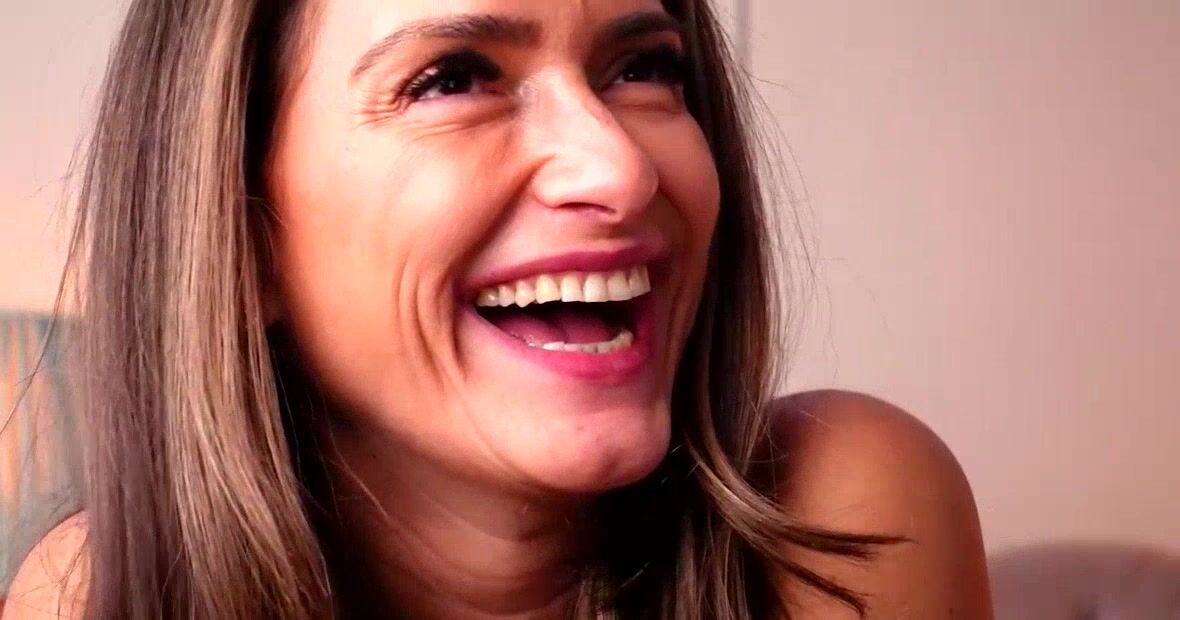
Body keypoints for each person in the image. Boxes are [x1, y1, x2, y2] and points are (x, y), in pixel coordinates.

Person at [3, 0, 993, 618]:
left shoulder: (844, 510)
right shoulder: (93, 593)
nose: (619, 166)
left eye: (644, 67)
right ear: (243, 234)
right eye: (452, 79)